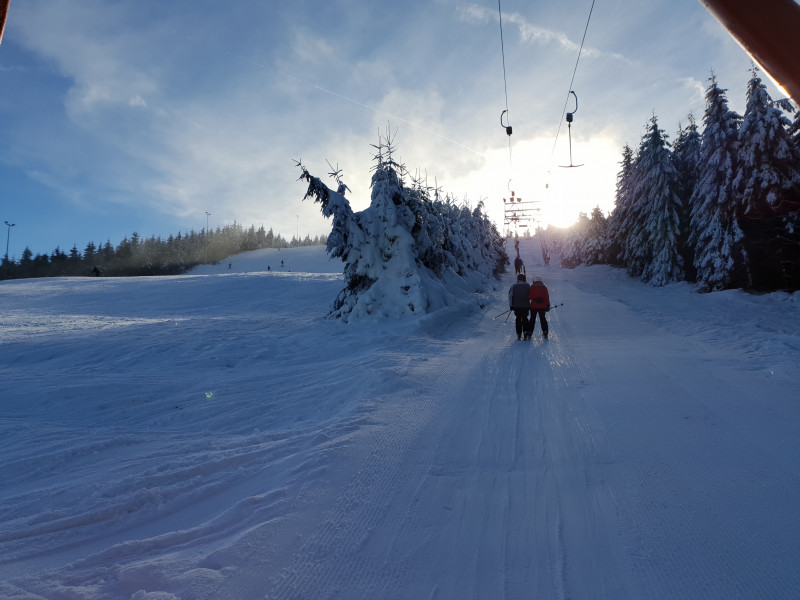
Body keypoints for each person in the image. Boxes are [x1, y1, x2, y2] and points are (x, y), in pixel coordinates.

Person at [508, 273, 531, 341]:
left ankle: (519, 334)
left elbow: (510, 296)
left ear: (518, 279)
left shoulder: (514, 286)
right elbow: (531, 295)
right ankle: (525, 333)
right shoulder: (527, 285)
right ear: (524, 278)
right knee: (525, 318)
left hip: (517, 306)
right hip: (525, 306)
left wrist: (511, 305)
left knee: (518, 319)